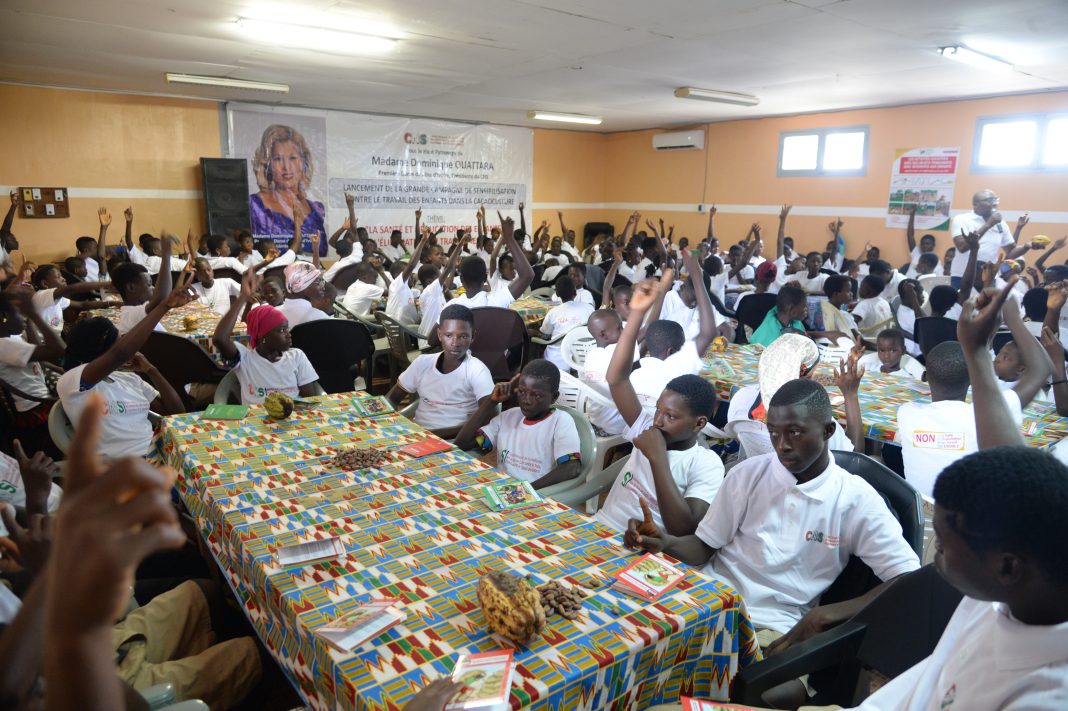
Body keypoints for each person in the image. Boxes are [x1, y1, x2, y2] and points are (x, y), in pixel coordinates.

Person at [850, 282, 1068, 710]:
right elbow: (1008, 460)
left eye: (945, 548)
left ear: (1006, 566)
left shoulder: (1041, 695)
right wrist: (977, 350)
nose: (935, 555)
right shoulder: (996, 596)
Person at [626, 378, 920, 651]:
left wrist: (827, 614)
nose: (782, 445)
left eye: (795, 432)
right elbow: (704, 546)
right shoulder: (748, 474)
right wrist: (666, 543)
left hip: (774, 624)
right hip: (710, 598)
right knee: (632, 635)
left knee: (743, 678)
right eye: (774, 433)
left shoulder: (854, 499)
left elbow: (909, 579)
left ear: (828, 431)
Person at [593, 273, 724, 536]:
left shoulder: (705, 463)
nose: (658, 421)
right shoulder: (646, 427)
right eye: (658, 411)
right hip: (602, 527)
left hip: (650, 548)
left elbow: (682, 528)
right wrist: (636, 315)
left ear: (699, 423)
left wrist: (657, 458)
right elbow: (616, 379)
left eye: (671, 416)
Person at [58, 272, 193, 458]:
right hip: (125, 465)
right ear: (103, 350)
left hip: (161, 452)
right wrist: (164, 306)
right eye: (118, 340)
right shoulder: (74, 381)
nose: (123, 342)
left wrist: (152, 371)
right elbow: (121, 353)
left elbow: (177, 413)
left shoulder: (128, 379)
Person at [454, 360, 582, 489]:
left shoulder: (560, 421)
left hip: (537, 493)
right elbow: (461, 445)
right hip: (504, 489)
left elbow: (572, 467)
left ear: (554, 397)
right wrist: (491, 402)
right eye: (522, 392)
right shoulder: (508, 417)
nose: (526, 400)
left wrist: (525, 490)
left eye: (537, 395)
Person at [726, 333, 860, 454]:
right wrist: (851, 395)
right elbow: (856, 458)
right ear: (798, 376)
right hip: (802, 474)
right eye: (810, 377)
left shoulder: (741, 398)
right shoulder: (816, 418)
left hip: (760, 470)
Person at [387, 304, 495, 439]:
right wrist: (387, 423)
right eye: (448, 335)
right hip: (419, 438)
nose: (455, 343)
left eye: (463, 336)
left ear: (473, 336)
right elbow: (392, 399)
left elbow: (490, 418)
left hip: (455, 442)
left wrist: (433, 435)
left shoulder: (477, 371)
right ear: (439, 335)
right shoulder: (422, 363)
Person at [213, 269, 320, 405]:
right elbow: (220, 338)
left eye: (287, 329)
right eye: (281, 330)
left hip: (292, 415)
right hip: (256, 417)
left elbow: (308, 400)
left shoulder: (296, 356)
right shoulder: (244, 359)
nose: (289, 334)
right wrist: (243, 297)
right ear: (263, 337)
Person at [630, 252, 719, 411]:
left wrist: (662, 291)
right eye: (681, 348)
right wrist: (697, 278)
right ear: (671, 351)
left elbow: (648, 327)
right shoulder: (677, 369)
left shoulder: (633, 372)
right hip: (674, 425)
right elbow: (708, 333)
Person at [0, 289, 66, 455]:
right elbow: (59, 350)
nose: (23, 317)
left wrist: (29, 320)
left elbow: (39, 350)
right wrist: (34, 315)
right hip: (35, 413)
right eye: (20, 313)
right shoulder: (4, 346)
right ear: (4, 316)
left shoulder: (10, 338)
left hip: (39, 402)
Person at [248, 124, 326, 257]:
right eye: (278, 159)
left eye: (293, 158)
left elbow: (322, 252)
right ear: (267, 164)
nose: (286, 167)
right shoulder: (254, 205)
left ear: (303, 162)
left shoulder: (316, 209)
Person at [948, 189, 1025, 287]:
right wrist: (988, 224)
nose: (995, 203)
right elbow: (962, 247)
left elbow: (1010, 252)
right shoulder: (962, 219)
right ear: (976, 204)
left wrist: (1028, 246)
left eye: (996, 199)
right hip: (962, 276)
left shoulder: (1001, 224)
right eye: (989, 200)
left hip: (989, 278)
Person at [112, 232, 179, 335]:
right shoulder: (131, 314)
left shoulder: (137, 310)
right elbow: (161, 297)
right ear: (131, 287)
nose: (153, 288)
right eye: (148, 285)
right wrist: (166, 255)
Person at [29, 264, 114, 333]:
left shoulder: (58, 299)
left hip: (56, 338)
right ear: (44, 283)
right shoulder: (41, 295)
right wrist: (108, 284)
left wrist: (111, 303)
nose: (64, 279)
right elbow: (71, 288)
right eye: (58, 277)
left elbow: (82, 304)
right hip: (44, 344)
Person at [538, 277, 594, 370]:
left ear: (557, 294)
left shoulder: (552, 313)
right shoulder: (589, 308)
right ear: (575, 292)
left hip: (557, 360)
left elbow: (545, 335)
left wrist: (533, 332)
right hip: (584, 356)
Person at [856, 328, 925, 379]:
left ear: (903, 350)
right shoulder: (867, 368)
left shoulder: (906, 378)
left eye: (892, 351)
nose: (886, 356)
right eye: (882, 350)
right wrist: (855, 359)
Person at [277, 261, 330, 327]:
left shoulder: (273, 313)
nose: (323, 286)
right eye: (319, 282)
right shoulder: (320, 318)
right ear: (303, 286)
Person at [819, 274, 860, 343]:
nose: (851, 294)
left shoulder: (824, 309)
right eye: (848, 291)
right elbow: (858, 339)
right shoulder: (843, 315)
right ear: (836, 294)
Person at [851, 275, 893, 340]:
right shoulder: (885, 302)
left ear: (871, 291)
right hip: (880, 339)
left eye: (862, 286)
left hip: (864, 340)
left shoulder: (864, 304)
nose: (859, 289)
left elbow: (851, 323)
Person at [904, 204, 940, 278]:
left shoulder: (935, 261)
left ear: (933, 245)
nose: (925, 246)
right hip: (906, 281)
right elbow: (910, 235)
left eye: (928, 244)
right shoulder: (916, 253)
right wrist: (912, 215)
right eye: (923, 244)